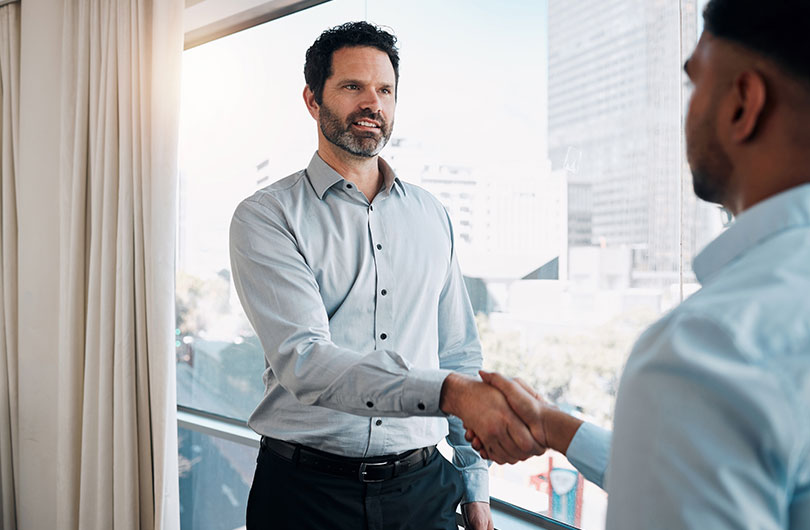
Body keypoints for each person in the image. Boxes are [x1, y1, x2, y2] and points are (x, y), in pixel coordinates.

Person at [465, 0, 810, 528]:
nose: (687, 111)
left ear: (743, 102)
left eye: (695, 84)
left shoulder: (710, 347)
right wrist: (553, 426)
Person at [229, 21, 539, 530]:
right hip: (306, 495)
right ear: (313, 99)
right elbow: (305, 361)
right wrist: (448, 393)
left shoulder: (431, 213)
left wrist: (474, 482)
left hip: (424, 490)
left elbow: (459, 351)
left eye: (385, 90)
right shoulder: (267, 216)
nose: (372, 103)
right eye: (353, 87)